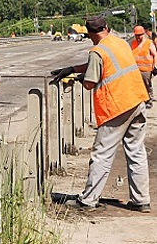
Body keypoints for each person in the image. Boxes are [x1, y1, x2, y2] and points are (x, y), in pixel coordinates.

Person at [51, 15, 150, 212]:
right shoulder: (120, 42)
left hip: (117, 106)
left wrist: (79, 78)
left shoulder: (97, 51)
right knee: (136, 151)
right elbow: (103, 64)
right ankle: (141, 201)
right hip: (136, 100)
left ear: (89, 35)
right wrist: (72, 68)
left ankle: (88, 200)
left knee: (102, 154)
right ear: (107, 27)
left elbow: (90, 82)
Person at [130, 25, 157, 108]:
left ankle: (149, 99)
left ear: (143, 34)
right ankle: (141, 99)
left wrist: (155, 66)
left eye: (139, 35)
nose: (138, 37)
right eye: (136, 35)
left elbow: (155, 55)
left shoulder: (148, 43)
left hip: (146, 69)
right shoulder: (133, 43)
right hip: (136, 69)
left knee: (147, 84)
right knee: (138, 85)